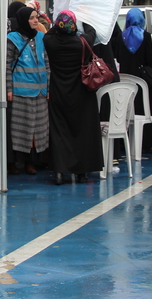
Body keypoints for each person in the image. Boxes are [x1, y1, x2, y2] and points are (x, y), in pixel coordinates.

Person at [44, 11, 104, 185]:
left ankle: (59, 171)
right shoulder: (83, 42)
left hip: (58, 93)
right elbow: (92, 30)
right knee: (83, 131)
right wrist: (86, 15)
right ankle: (82, 172)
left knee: (59, 131)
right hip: (82, 93)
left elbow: (51, 32)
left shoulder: (50, 42)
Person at [6, 6, 49, 175]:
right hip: (20, 92)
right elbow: (7, 66)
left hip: (40, 92)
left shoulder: (41, 37)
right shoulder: (12, 39)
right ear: (24, 20)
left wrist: (48, 87)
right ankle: (16, 162)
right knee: (20, 129)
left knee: (37, 130)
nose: (35, 21)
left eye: (36, 17)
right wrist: (9, 88)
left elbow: (47, 63)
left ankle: (32, 162)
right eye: (31, 18)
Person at [112, 8, 152, 153]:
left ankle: (123, 141)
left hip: (126, 81)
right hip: (142, 81)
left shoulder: (121, 36)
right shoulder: (145, 36)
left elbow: (118, 57)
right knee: (146, 109)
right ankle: (146, 142)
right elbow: (150, 60)